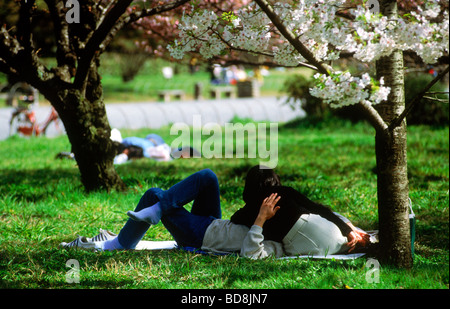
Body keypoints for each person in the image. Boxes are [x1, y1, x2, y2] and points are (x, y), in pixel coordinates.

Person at [61, 167, 370, 258]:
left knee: (154, 194)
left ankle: (120, 243)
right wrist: (350, 227)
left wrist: (261, 219)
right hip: (214, 223)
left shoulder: (285, 243)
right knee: (208, 177)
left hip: (201, 236)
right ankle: (157, 211)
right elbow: (320, 209)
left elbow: (252, 255)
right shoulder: (309, 220)